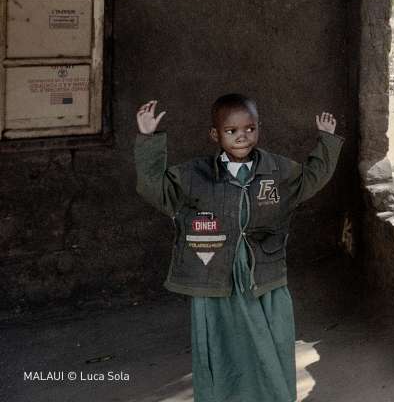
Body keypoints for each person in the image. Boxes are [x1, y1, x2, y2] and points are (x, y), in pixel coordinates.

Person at [134, 94, 343, 402]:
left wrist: (326, 141)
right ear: (214, 135)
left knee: (273, 341)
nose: (242, 136)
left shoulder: (277, 170)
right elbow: (157, 191)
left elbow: (310, 179)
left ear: (258, 128)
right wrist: (148, 139)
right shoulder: (195, 175)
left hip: (265, 278)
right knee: (220, 347)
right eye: (231, 131)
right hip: (214, 280)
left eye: (249, 128)